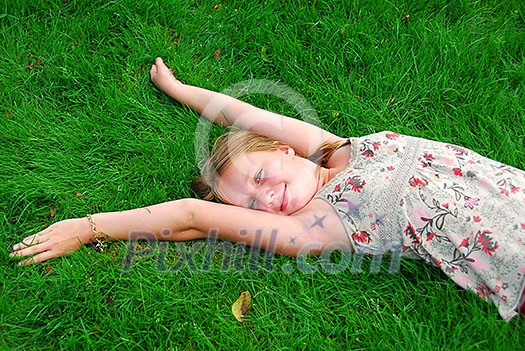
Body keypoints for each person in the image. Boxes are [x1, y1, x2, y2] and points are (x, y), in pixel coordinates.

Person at [10, 57, 525, 321]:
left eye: (258, 177)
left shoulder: (335, 148)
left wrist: (179, 90)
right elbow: (193, 215)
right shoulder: (314, 225)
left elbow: (245, 113)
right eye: (250, 205)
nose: (267, 198)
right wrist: (86, 226)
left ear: (283, 149)